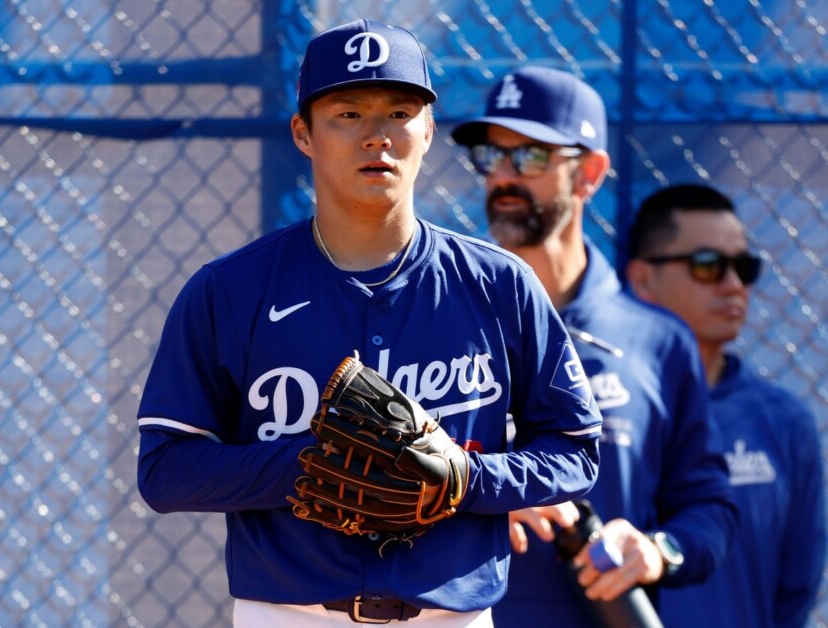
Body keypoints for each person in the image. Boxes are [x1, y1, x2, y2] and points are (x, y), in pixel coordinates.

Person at [136, 21, 603, 627]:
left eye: (399, 112)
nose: (376, 136)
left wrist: (464, 478)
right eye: (348, 114)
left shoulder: (500, 284)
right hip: (289, 615)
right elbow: (165, 471)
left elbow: (574, 452)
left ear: (429, 130)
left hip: (451, 619)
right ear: (303, 133)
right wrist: (311, 465)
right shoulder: (230, 290)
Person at [450, 67, 737, 626]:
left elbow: (710, 508)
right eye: (491, 156)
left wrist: (657, 551)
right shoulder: (440, 320)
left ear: (590, 174)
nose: (503, 176)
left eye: (529, 157)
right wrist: (480, 494)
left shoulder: (656, 341)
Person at [625, 183, 826, 628]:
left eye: (744, 267)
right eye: (707, 266)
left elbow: (796, 589)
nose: (734, 285)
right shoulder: (600, 410)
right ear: (642, 279)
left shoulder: (784, 422)